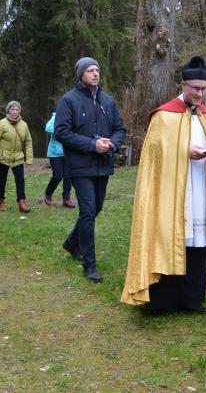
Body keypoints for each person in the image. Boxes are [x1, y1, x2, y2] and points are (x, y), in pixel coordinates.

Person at [121, 56, 206, 313]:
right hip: (172, 191)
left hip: (200, 186)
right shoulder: (164, 116)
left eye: (204, 89)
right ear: (183, 85)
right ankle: (163, 301)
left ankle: (193, 299)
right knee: (171, 237)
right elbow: (155, 159)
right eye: (195, 88)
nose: (200, 93)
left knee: (198, 240)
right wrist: (184, 153)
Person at [55, 57, 126, 283]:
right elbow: (62, 132)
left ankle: (70, 243)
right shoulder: (68, 100)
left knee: (95, 209)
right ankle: (89, 263)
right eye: (90, 70)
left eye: (97, 70)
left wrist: (112, 144)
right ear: (80, 75)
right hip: (80, 166)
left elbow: (119, 128)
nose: (95, 74)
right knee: (87, 211)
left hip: (103, 165)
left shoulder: (107, 101)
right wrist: (91, 145)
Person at [0, 101, 33, 213]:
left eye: (16, 109)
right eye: (12, 109)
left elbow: (28, 142)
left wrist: (29, 159)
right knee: (1, 181)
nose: (14, 112)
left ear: (19, 111)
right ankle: (1, 201)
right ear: (8, 111)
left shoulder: (24, 125)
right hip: (3, 158)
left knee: (20, 180)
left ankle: (22, 202)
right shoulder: (2, 123)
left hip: (18, 158)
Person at [43, 111, 75, 208]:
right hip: (55, 152)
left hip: (69, 151)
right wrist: (63, 131)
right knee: (57, 176)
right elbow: (47, 128)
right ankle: (48, 193)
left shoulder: (75, 115)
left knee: (68, 176)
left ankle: (66, 199)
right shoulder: (56, 116)